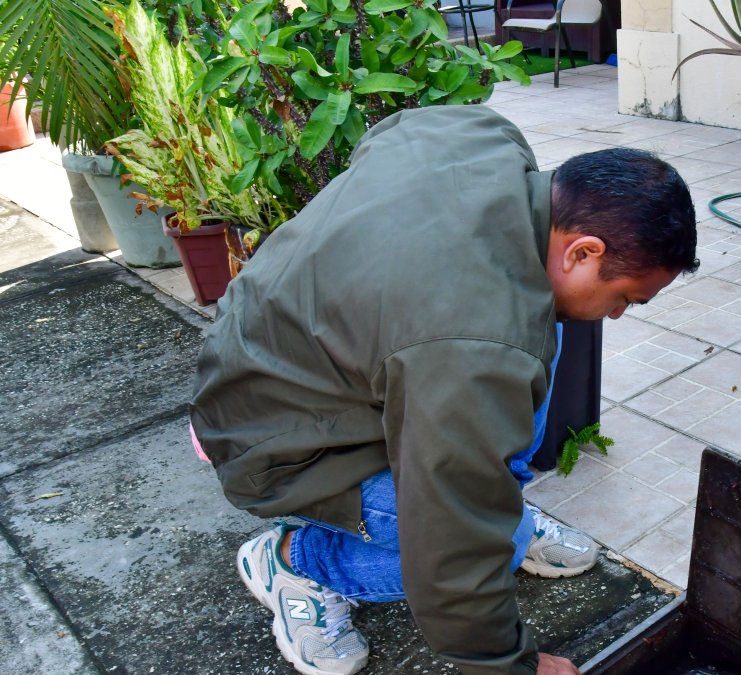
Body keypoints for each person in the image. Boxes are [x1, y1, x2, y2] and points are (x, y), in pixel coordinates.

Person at [190, 105, 698, 675]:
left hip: (267, 352)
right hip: (265, 435)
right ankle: (294, 561)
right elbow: (452, 549)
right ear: (583, 251)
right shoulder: (474, 342)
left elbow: (389, 135)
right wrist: (512, 667)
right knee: (485, 545)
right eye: (628, 298)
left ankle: (498, 498)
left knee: (537, 323)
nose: (620, 315)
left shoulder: (481, 137)